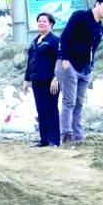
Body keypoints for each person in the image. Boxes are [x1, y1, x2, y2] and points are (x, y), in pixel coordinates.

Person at [57, 0, 103, 144]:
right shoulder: (80, 16)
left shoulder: (100, 27)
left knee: (79, 103)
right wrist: (64, 58)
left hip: (86, 68)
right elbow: (66, 36)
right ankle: (66, 134)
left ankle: (78, 135)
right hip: (70, 63)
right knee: (69, 101)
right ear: (97, 4)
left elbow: (93, 49)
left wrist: (91, 67)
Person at [24, 11, 62, 147]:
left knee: (51, 109)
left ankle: (54, 140)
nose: (41, 23)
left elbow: (60, 59)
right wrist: (26, 79)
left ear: (51, 24)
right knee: (40, 110)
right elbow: (30, 61)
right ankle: (44, 139)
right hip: (36, 81)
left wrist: (56, 78)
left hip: (50, 82)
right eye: (39, 21)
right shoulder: (35, 41)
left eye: (44, 21)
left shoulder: (54, 41)